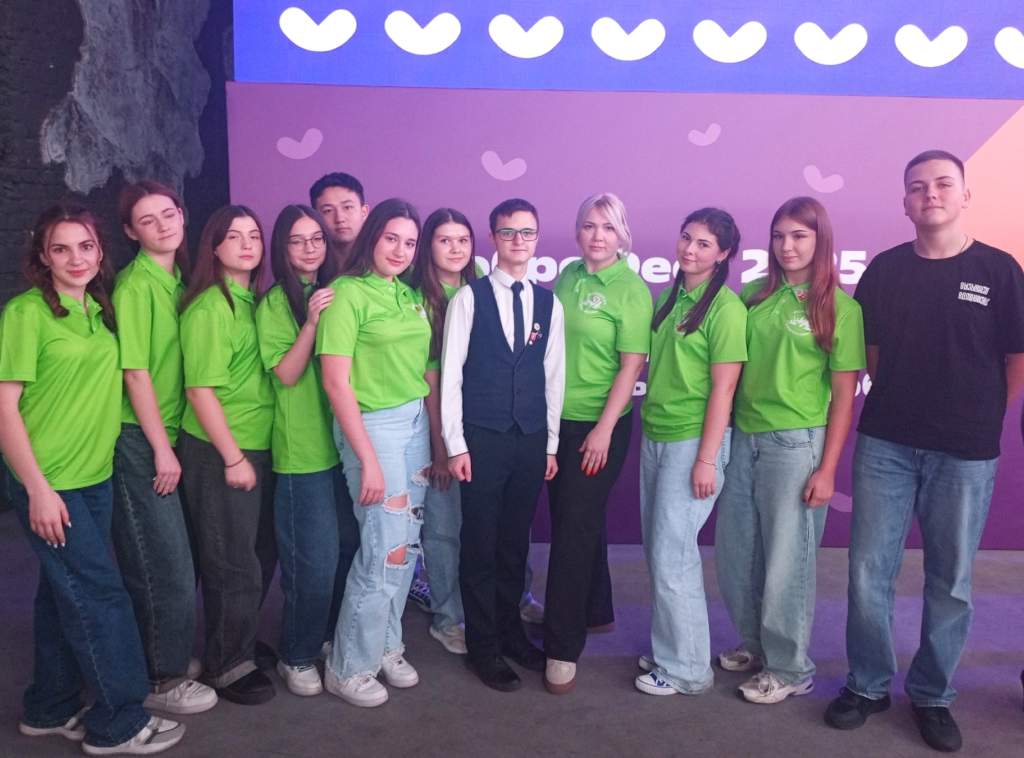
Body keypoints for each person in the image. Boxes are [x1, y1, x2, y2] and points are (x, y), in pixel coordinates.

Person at [824, 150, 1024, 752]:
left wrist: (985, 415)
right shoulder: (884, 271)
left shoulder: (999, 270)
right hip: (886, 443)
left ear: (964, 195)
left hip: (965, 452)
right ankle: (867, 685)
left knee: (951, 580)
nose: (929, 194)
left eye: (942, 184)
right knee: (868, 572)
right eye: (917, 187)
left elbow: (1016, 356)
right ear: (905, 202)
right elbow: (873, 355)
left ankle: (934, 695)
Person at [0, 203, 185, 754]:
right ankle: (118, 723)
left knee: (64, 592)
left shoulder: (99, 310)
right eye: (60, 249)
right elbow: (5, 408)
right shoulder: (26, 313)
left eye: (85, 246)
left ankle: (50, 706)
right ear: (42, 256)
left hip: (95, 476)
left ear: (101, 251)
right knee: (101, 594)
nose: (75, 258)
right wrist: (37, 489)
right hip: (50, 481)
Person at [714, 196, 864, 704]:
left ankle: (791, 667)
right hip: (744, 439)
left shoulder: (841, 309)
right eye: (779, 236)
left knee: (786, 563)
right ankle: (756, 645)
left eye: (799, 236)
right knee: (737, 553)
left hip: (796, 446)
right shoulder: (753, 296)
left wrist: (828, 469)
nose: (787, 246)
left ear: (820, 241)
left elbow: (843, 398)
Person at [441, 198, 566, 692]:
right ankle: (484, 647)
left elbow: (553, 377)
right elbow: (451, 376)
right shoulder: (469, 298)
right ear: (493, 238)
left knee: (516, 544)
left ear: (537, 238)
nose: (518, 240)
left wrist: (550, 445)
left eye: (527, 232)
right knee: (480, 544)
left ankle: (512, 633)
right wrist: (455, 444)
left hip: (529, 440)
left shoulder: (549, 304)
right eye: (509, 232)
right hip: (482, 439)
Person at [317, 199, 431, 708]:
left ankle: (385, 644)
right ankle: (348, 666)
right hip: (374, 428)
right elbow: (335, 383)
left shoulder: (407, 293)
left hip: (415, 422)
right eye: (391, 239)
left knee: (406, 545)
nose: (401, 251)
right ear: (372, 237)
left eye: (410, 243)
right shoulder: (346, 293)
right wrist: (365, 458)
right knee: (383, 548)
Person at [111, 180, 217, 715]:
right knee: (163, 562)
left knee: (180, 556)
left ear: (182, 215)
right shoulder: (135, 286)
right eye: (147, 220)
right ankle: (161, 677)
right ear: (131, 232)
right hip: (140, 437)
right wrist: (161, 449)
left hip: (169, 432)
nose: (162, 225)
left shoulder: (179, 279)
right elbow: (135, 374)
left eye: (168, 213)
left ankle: (162, 653)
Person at [634, 208, 747, 697]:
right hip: (657, 434)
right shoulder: (670, 296)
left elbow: (724, 389)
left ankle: (687, 670)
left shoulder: (726, 308)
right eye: (686, 238)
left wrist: (706, 458)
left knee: (673, 553)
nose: (690, 249)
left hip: (693, 443)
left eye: (703, 243)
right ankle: (672, 650)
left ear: (723, 254)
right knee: (662, 552)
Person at [544, 193, 652, 694]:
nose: (597, 236)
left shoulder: (631, 289)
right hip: (557, 422)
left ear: (622, 234)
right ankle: (595, 608)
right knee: (577, 519)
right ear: (577, 231)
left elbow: (631, 366)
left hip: (600, 425)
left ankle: (561, 647)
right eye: (589, 225)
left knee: (572, 530)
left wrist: (603, 430)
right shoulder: (568, 276)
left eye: (608, 227)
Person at [255, 205, 360, 696]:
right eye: (297, 240)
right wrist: (313, 322)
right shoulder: (276, 301)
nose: (310, 248)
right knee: (312, 564)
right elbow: (287, 373)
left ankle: (323, 637)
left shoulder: (338, 289)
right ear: (282, 247)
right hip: (303, 453)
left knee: (347, 549)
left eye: (316, 238)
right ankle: (295, 654)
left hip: (344, 446)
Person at [178, 205, 277, 705]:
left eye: (254, 235)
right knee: (232, 561)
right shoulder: (210, 307)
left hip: (256, 445)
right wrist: (233, 457)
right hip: (220, 450)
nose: (247, 244)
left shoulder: (252, 301)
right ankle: (226, 664)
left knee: (256, 555)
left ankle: (237, 640)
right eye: (234, 236)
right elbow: (200, 391)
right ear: (213, 247)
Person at [406, 208, 479, 655]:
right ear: (428, 246)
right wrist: (441, 447)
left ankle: (511, 598)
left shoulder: (482, 289)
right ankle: (448, 617)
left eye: (463, 240)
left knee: (491, 521)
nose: (455, 249)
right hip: (436, 429)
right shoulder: (418, 299)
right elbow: (430, 380)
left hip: (484, 428)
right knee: (443, 527)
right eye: (444, 240)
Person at [309, 172, 369, 270]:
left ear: (364, 212)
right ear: (315, 217)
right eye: (328, 211)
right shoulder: (310, 266)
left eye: (348, 207)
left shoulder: (383, 263)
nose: (340, 219)